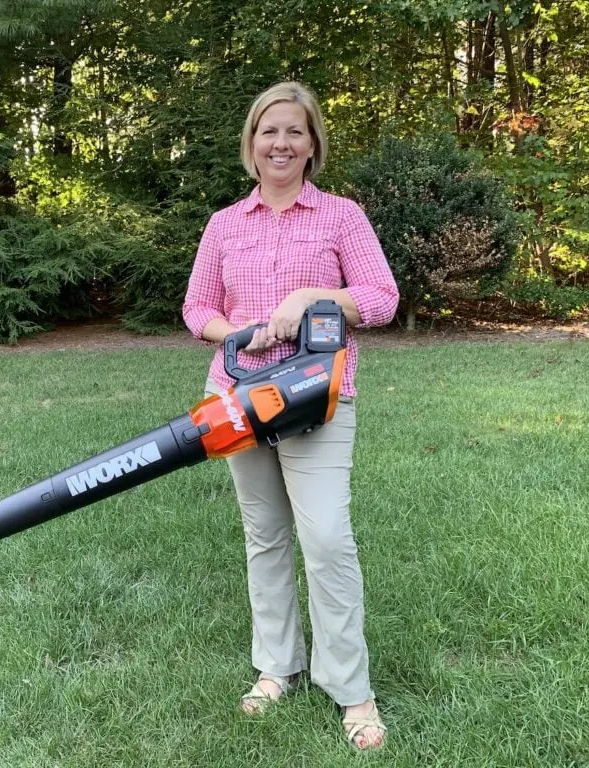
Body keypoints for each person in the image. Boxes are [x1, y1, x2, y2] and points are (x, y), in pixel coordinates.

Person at [181, 81, 399, 750]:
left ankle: (350, 688)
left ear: (312, 145)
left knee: (328, 537)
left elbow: (381, 299)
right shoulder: (224, 223)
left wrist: (312, 297)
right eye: (268, 131)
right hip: (240, 399)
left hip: (318, 397)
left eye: (294, 132)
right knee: (265, 536)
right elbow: (198, 310)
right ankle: (277, 667)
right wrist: (236, 332)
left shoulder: (341, 216)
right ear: (251, 143)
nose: (280, 143)